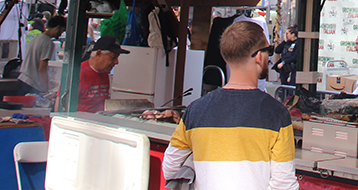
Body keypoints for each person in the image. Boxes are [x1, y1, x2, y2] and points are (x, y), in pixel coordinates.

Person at [162, 21, 298, 190]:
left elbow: (170, 168)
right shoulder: (277, 114)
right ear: (258, 56)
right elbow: (284, 185)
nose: (269, 56)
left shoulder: (195, 111)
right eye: (268, 50)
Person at [78, 35, 129, 112]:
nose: (116, 62)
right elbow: (61, 106)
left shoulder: (103, 72)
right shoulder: (79, 73)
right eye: (113, 58)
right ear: (98, 54)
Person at [17, 15, 66, 95]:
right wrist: (46, 90)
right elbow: (42, 69)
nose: (60, 34)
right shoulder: (47, 42)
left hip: (22, 79)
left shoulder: (37, 38)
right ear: (57, 27)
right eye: (62, 31)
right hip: (32, 84)